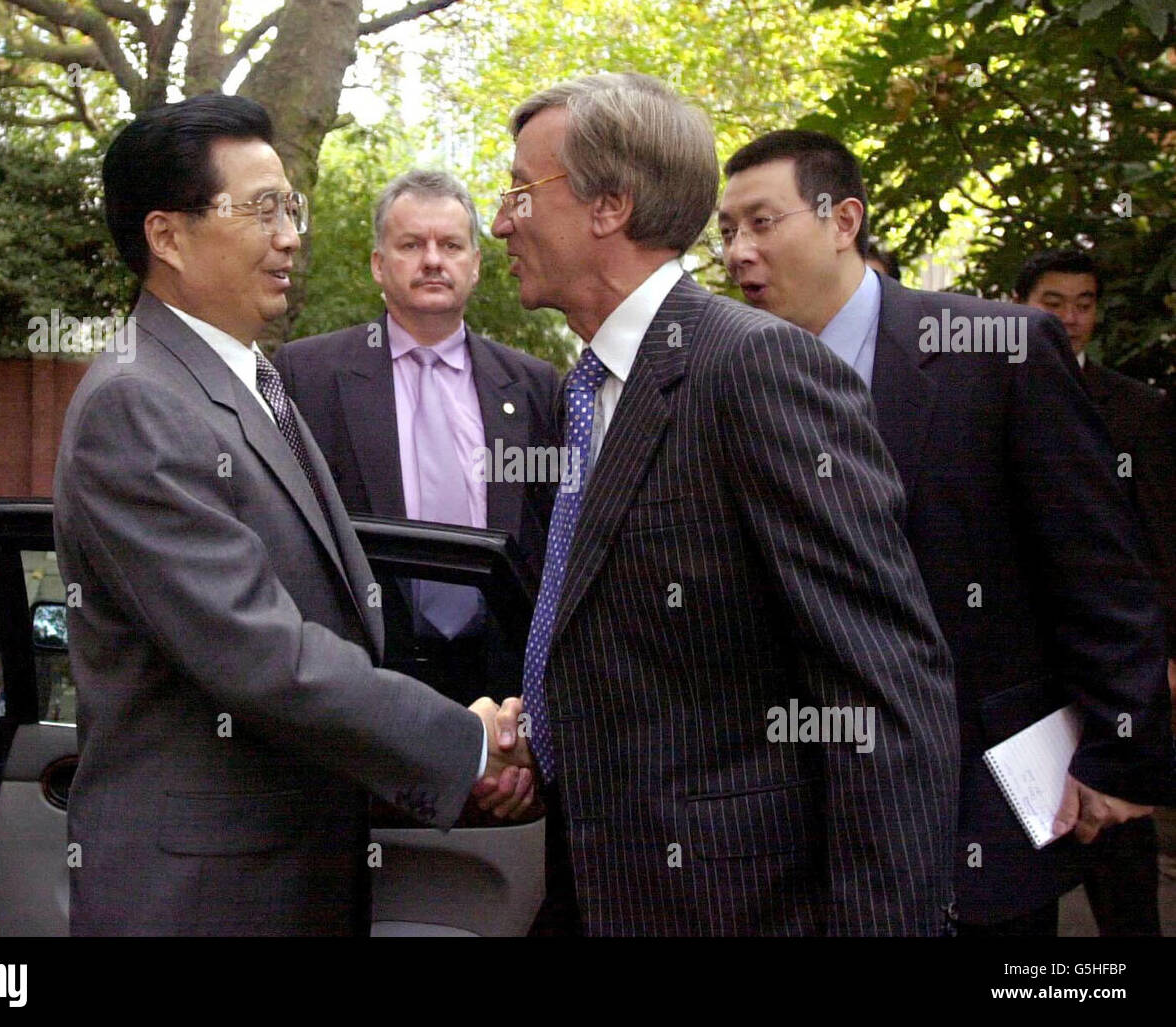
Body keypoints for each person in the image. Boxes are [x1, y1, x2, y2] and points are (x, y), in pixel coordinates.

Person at [483, 73, 960, 936]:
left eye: (521, 189)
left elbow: (885, 693)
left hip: (738, 905)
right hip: (599, 886)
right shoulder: (581, 392)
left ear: (610, 206)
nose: (502, 219)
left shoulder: (755, 368)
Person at [54, 94, 533, 937]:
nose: (290, 236)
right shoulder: (138, 403)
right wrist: (462, 740)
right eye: (263, 209)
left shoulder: (253, 378)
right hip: (203, 897)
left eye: (293, 208)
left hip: (285, 869)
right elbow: (260, 654)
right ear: (167, 236)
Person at [719, 129, 1173, 935]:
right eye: (724, 231)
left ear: (842, 219)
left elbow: (1099, 567)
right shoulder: (736, 379)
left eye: (760, 222)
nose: (737, 253)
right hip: (798, 813)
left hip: (977, 802)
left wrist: (1120, 750)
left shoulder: (995, 353)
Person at [273, 171, 561, 707]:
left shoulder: (534, 387)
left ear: (475, 265)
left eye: (450, 245)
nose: (433, 260)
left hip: (504, 689)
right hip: (364, 683)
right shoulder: (306, 375)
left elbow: (548, 545)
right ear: (379, 265)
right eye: (412, 245)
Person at [1015, 247, 1176, 936]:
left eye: (1085, 304)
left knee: (1120, 855)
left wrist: (1163, 660)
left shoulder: (1140, 409)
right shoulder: (980, 394)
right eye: (1055, 303)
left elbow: (1162, 543)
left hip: (1114, 665)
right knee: (1022, 867)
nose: (1072, 319)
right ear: (1019, 304)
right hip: (1019, 666)